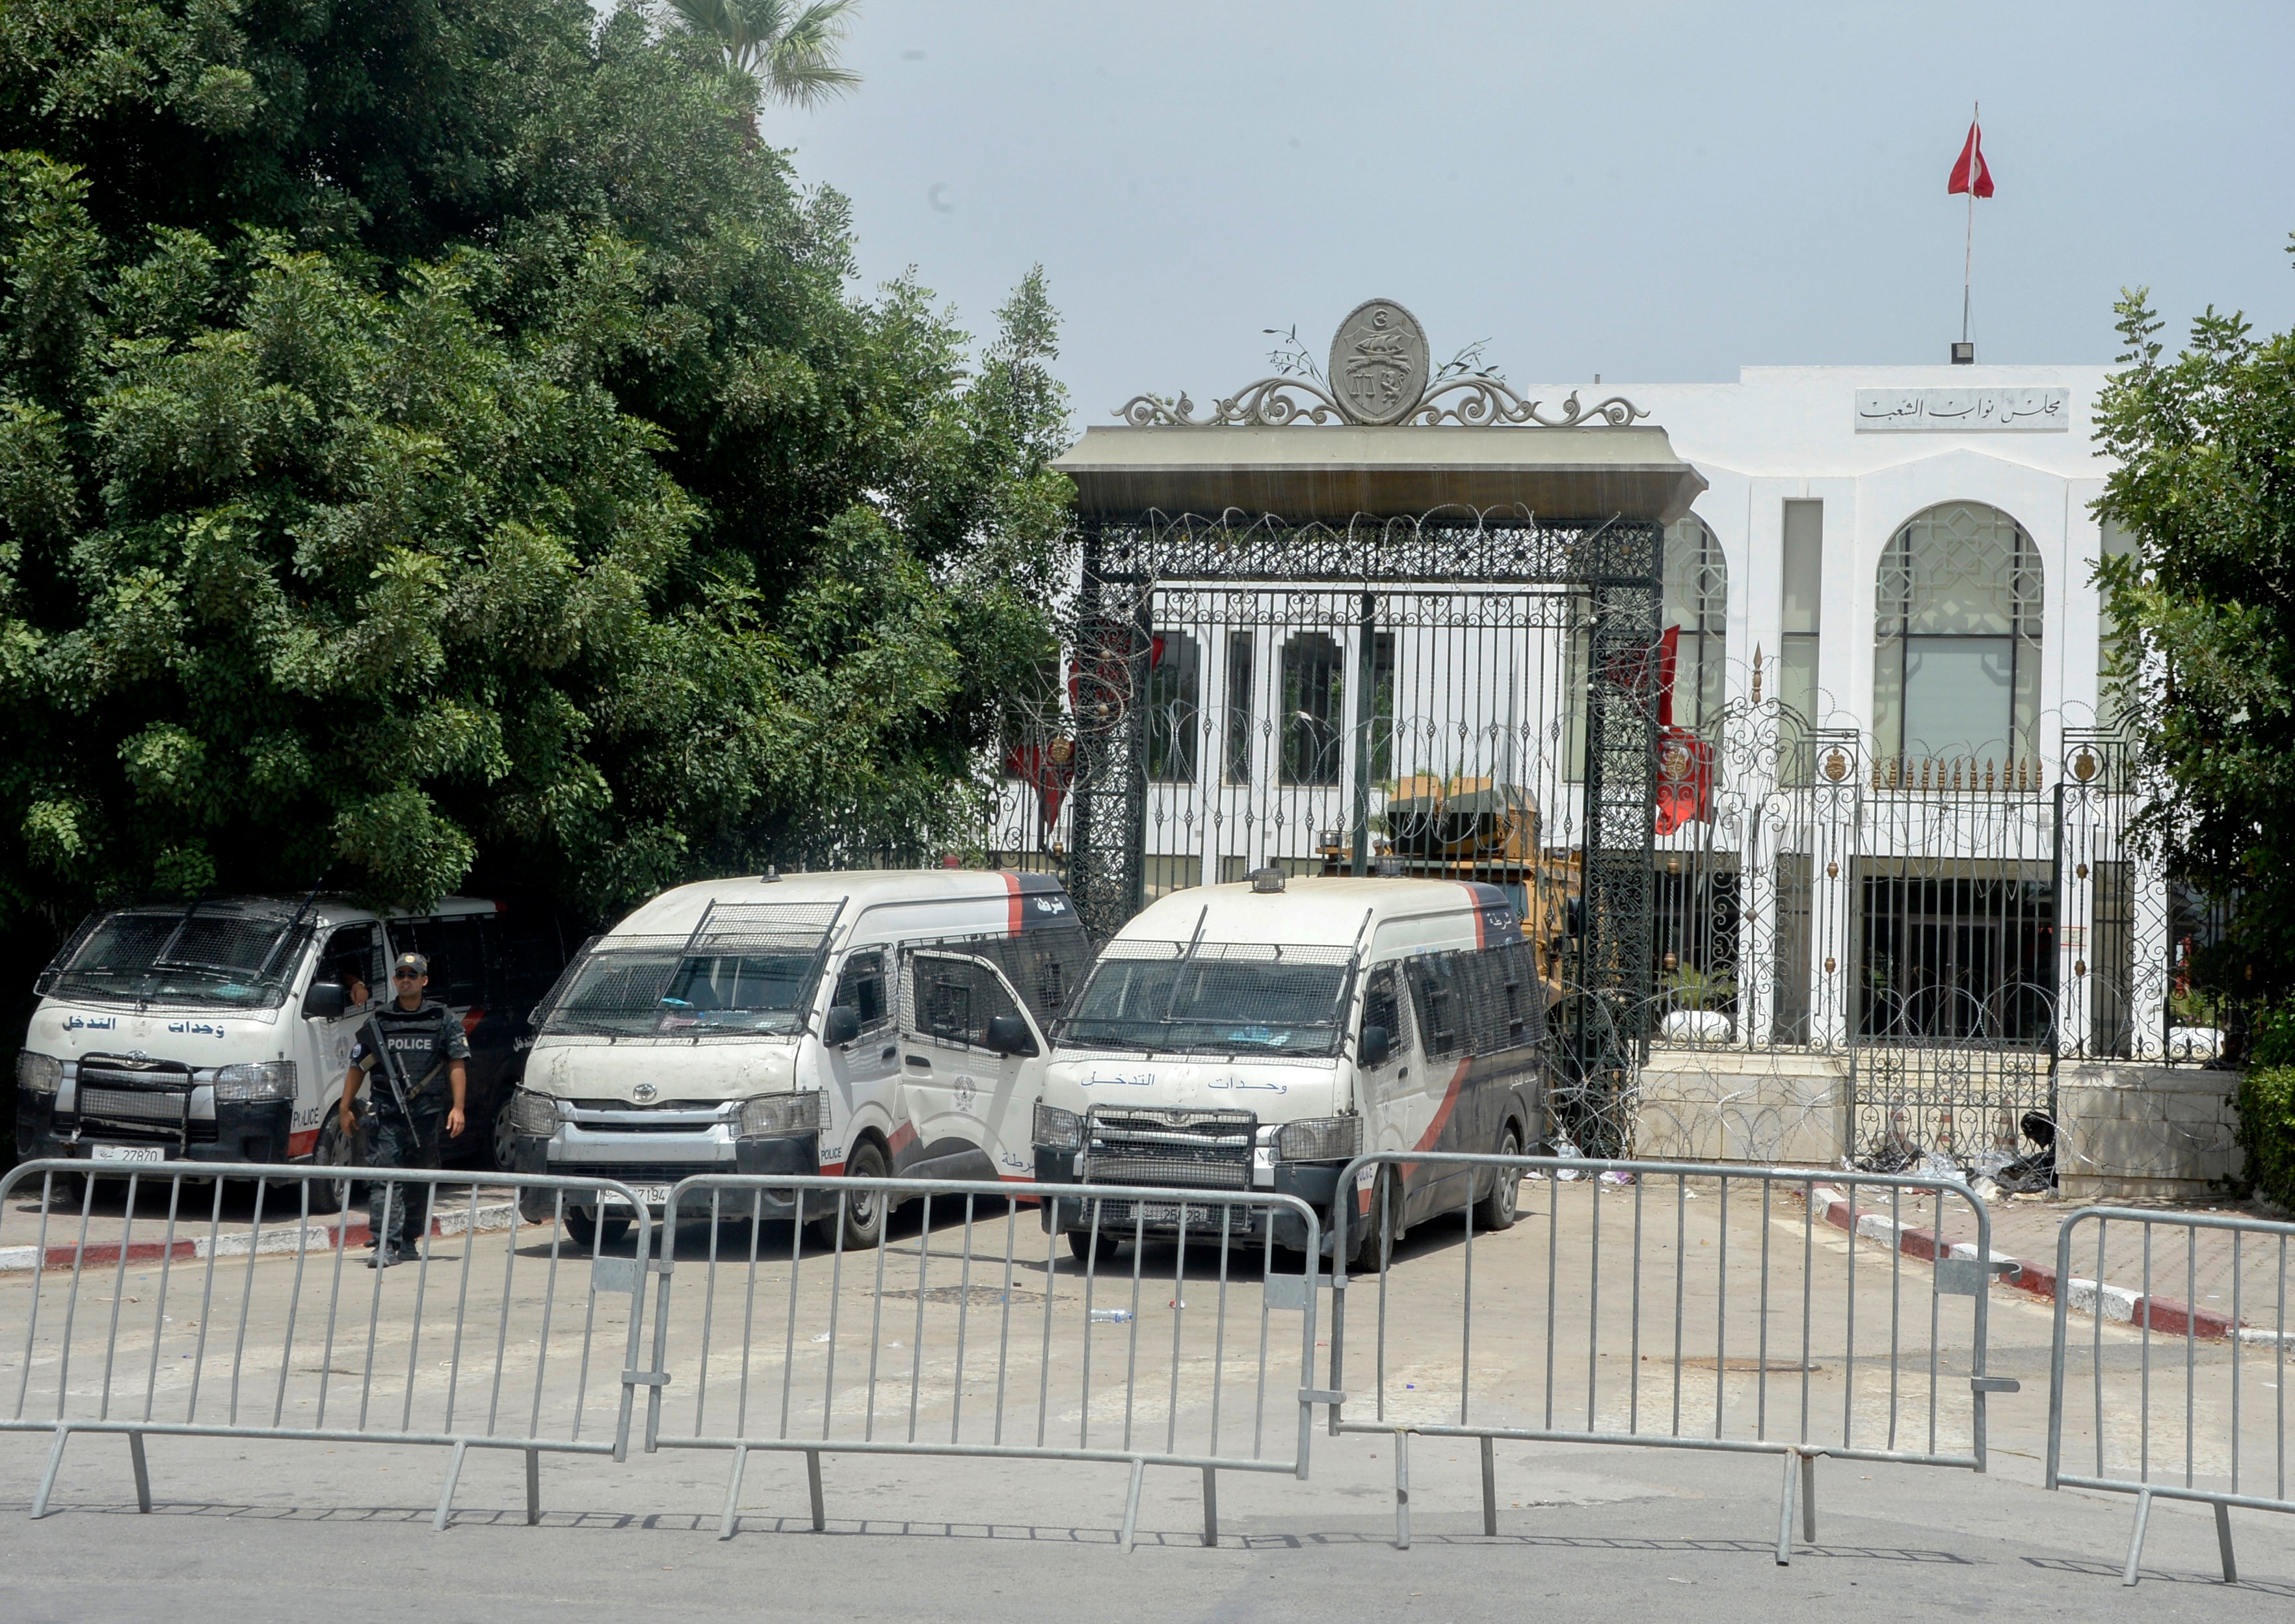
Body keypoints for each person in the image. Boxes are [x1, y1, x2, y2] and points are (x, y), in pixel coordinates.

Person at [339, 952, 468, 1268]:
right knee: (385, 1178)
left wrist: (459, 1108)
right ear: (395, 980)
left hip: (426, 1114)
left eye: (413, 975)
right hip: (386, 1114)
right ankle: (384, 1243)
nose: (406, 980)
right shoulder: (381, 1021)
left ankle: (409, 1239)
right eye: (401, 975)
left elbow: (456, 1063)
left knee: (419, 1179)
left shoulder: (442, 1018)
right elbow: (359, 1065)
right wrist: (345, 1107)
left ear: (424, 980)